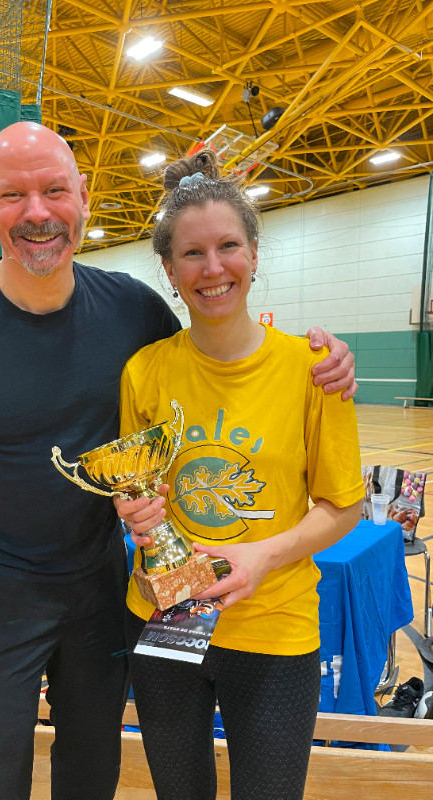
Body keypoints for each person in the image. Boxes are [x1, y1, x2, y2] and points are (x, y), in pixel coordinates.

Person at [0, 121, 357, 800]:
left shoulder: (134, 312)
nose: (39, 213)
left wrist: (327, 359)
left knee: (91, 772)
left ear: (83, 197)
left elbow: (214, 347)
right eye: (15, 196)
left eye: (55, 191)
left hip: (104, 590)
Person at [115, 149, 364, 800]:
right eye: (192, 254)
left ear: (254, 253)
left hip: (275, 629)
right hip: (167, 621)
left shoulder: (313, 368)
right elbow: (139, 494)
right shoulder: (144, 372)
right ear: (169, 271)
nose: (213, 267)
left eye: (228, 245)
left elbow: (342, 505)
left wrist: (260, 557)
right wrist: (137, 516)